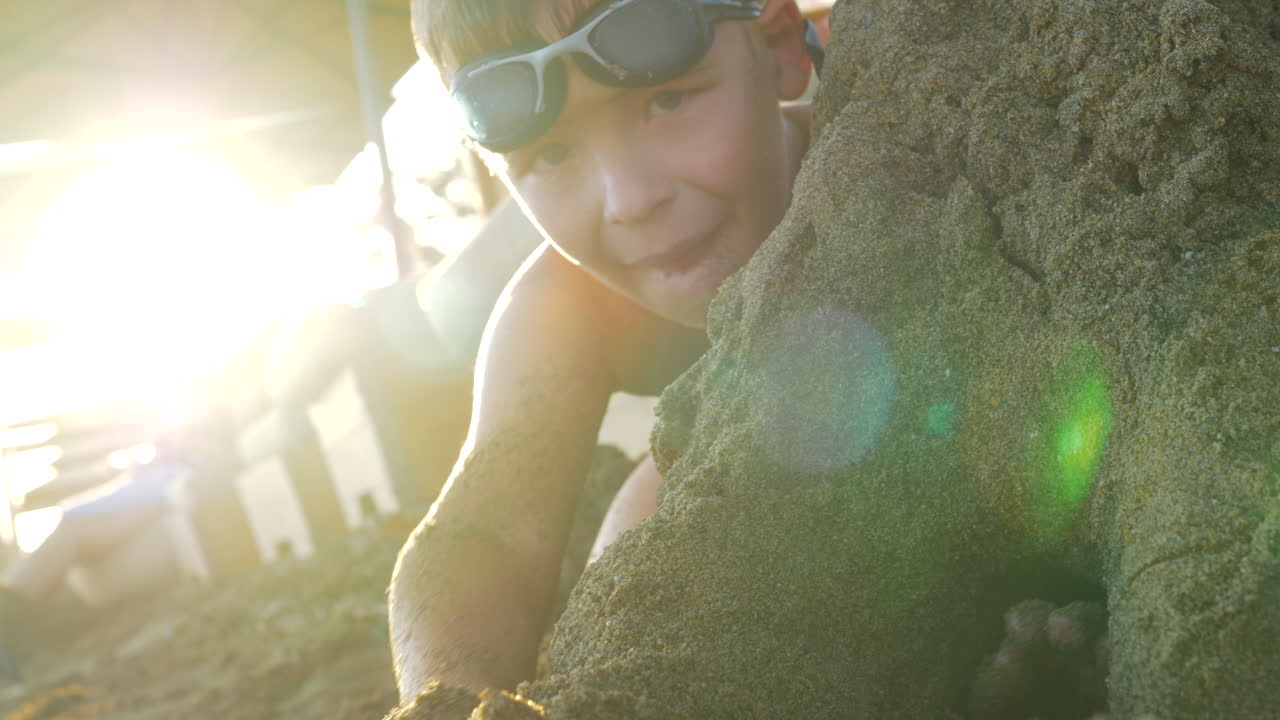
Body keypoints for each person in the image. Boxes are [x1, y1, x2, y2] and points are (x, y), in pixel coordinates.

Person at [387, 2, 1109, 717]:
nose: (630, 198)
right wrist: (453, 698)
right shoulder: (568, 309)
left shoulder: (912, 166)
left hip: (1009, 453)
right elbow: (482, 534)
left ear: (779, 47)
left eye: (666, 100)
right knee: (646, 521)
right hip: (798, 569)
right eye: (550, 152)